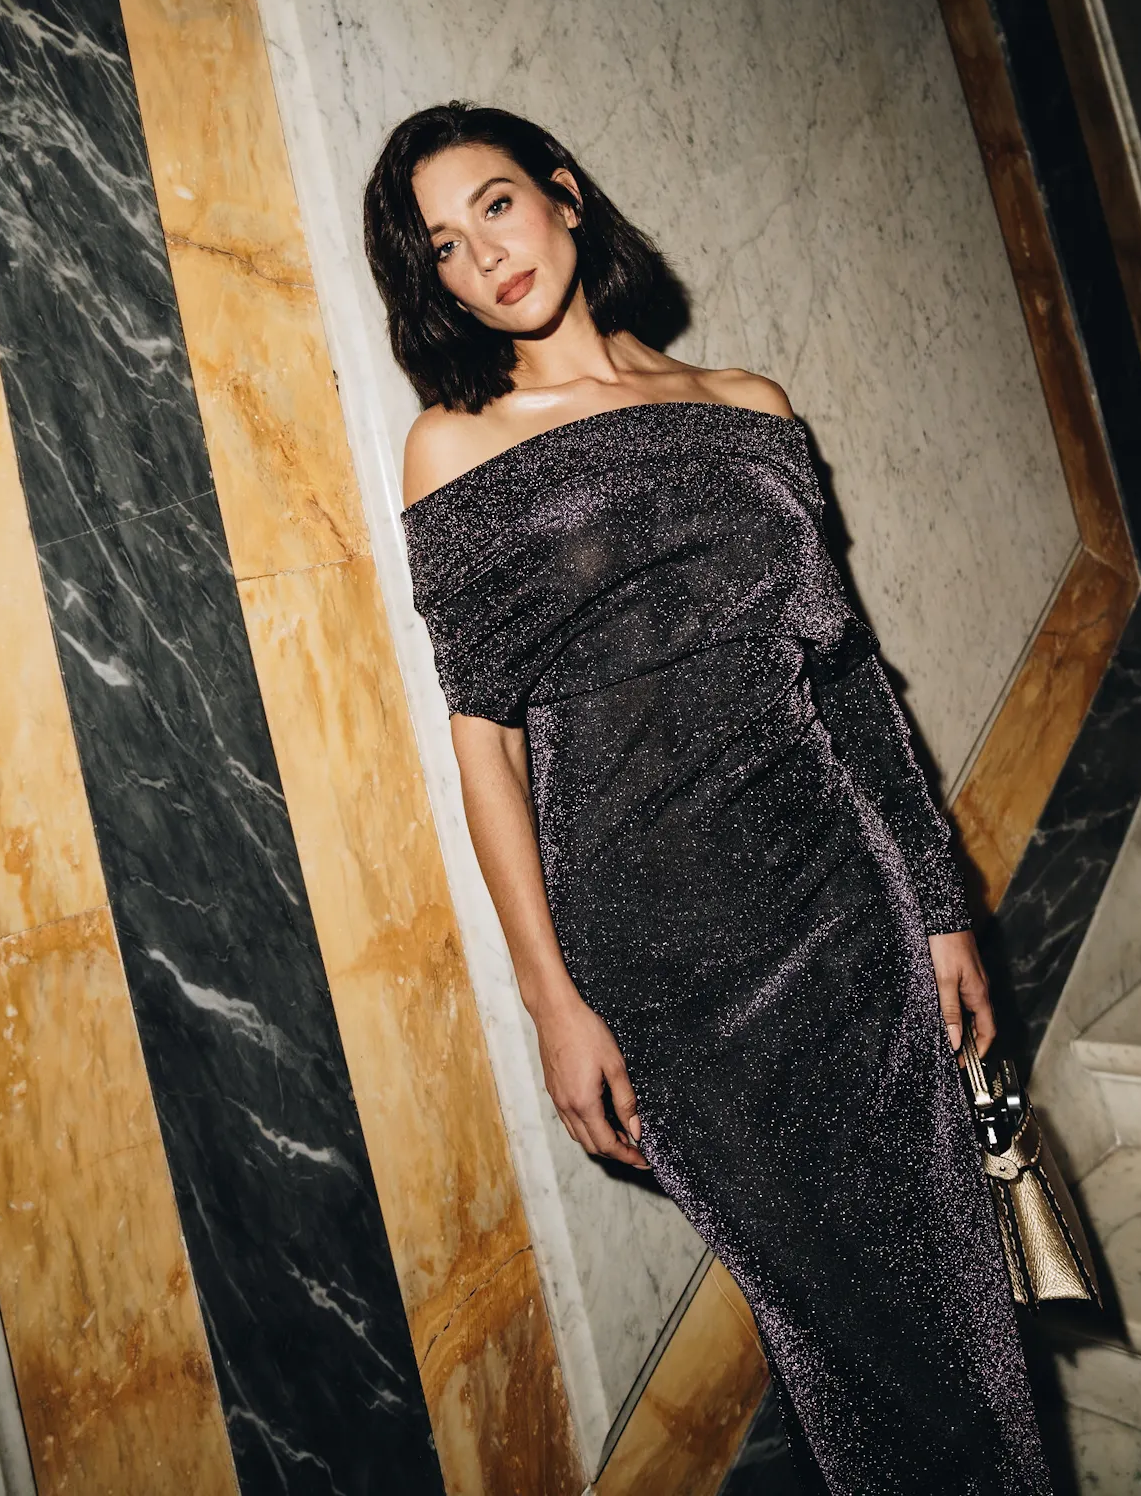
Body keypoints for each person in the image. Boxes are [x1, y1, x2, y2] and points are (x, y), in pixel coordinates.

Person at [364, 101, 1051, 1494]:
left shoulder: (748, 409)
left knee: (961, 1317)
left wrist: (937, 908)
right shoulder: (455, 447)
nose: (484, 255)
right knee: (838, 1332)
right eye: (441, 246)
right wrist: (554, 1003)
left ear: (563, 194)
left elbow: (847, 682)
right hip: (666, 969)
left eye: (496, 205)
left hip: (848, 917)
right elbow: (486, 748)